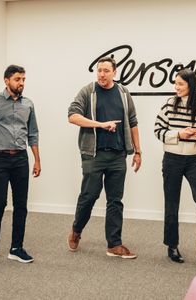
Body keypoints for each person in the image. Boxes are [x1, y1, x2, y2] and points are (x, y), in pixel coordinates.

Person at [67, 56, 141, 259]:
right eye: (99, 70)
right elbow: (72, 116)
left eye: (106, 70)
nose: (101, 74)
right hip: (94, 154)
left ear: (114, 72)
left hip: (118, 155)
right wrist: (100, 124)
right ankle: (76, 230)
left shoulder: (124, 93)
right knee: (89, 196)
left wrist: (138, 151)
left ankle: (114, 244)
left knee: (115, 200)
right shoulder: (87, 91)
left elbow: (133, 122)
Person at [0, 64, 41, 264]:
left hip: (21, 159)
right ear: (6, 81)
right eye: (17, 79)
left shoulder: (28, 104)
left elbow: (33, 134)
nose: (21, 83)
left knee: (21, 205)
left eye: (23, 80)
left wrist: (37, 159)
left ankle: (16, 247)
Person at [154, 68, 196, 263]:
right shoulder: (169, 104)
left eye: (180, 83)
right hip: (172, 159)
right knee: (172, 204)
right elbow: (158, 130)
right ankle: (172, 246)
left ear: (191, 85)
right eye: (175, 83)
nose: (176, 87)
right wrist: (179, 134)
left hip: (193, 161)